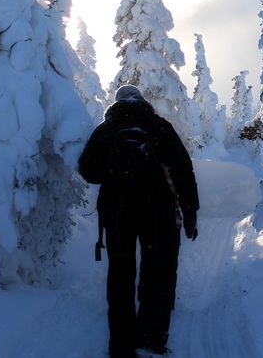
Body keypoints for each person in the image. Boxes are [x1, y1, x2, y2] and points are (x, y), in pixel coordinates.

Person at [79, 85, 199, 357]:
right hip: (156, 209)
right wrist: (190, 210)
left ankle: (121, 345)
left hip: (117, 211)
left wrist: (113, 173)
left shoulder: (105, 129)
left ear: (117, 103)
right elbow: (182, 167)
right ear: (142, 101)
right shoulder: (158, 125)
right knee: (157, 271)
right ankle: (152, 338)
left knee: (120, 275)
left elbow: (87, 169)